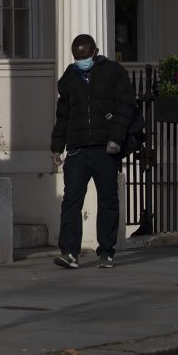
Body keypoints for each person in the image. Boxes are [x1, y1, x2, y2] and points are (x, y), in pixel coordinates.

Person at [50, 33, 137, 269]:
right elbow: (63, 114)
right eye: (77, 56)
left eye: (84, 56)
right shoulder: (69, 77)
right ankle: (69, 252)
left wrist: (116, 138)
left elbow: (126, 105)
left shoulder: (113, 72)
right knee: (71, 201)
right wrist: (56, 147)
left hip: (105, 148)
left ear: (95, 52)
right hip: (77, 148)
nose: (81, 60)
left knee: (108, 200)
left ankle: (106, 251)